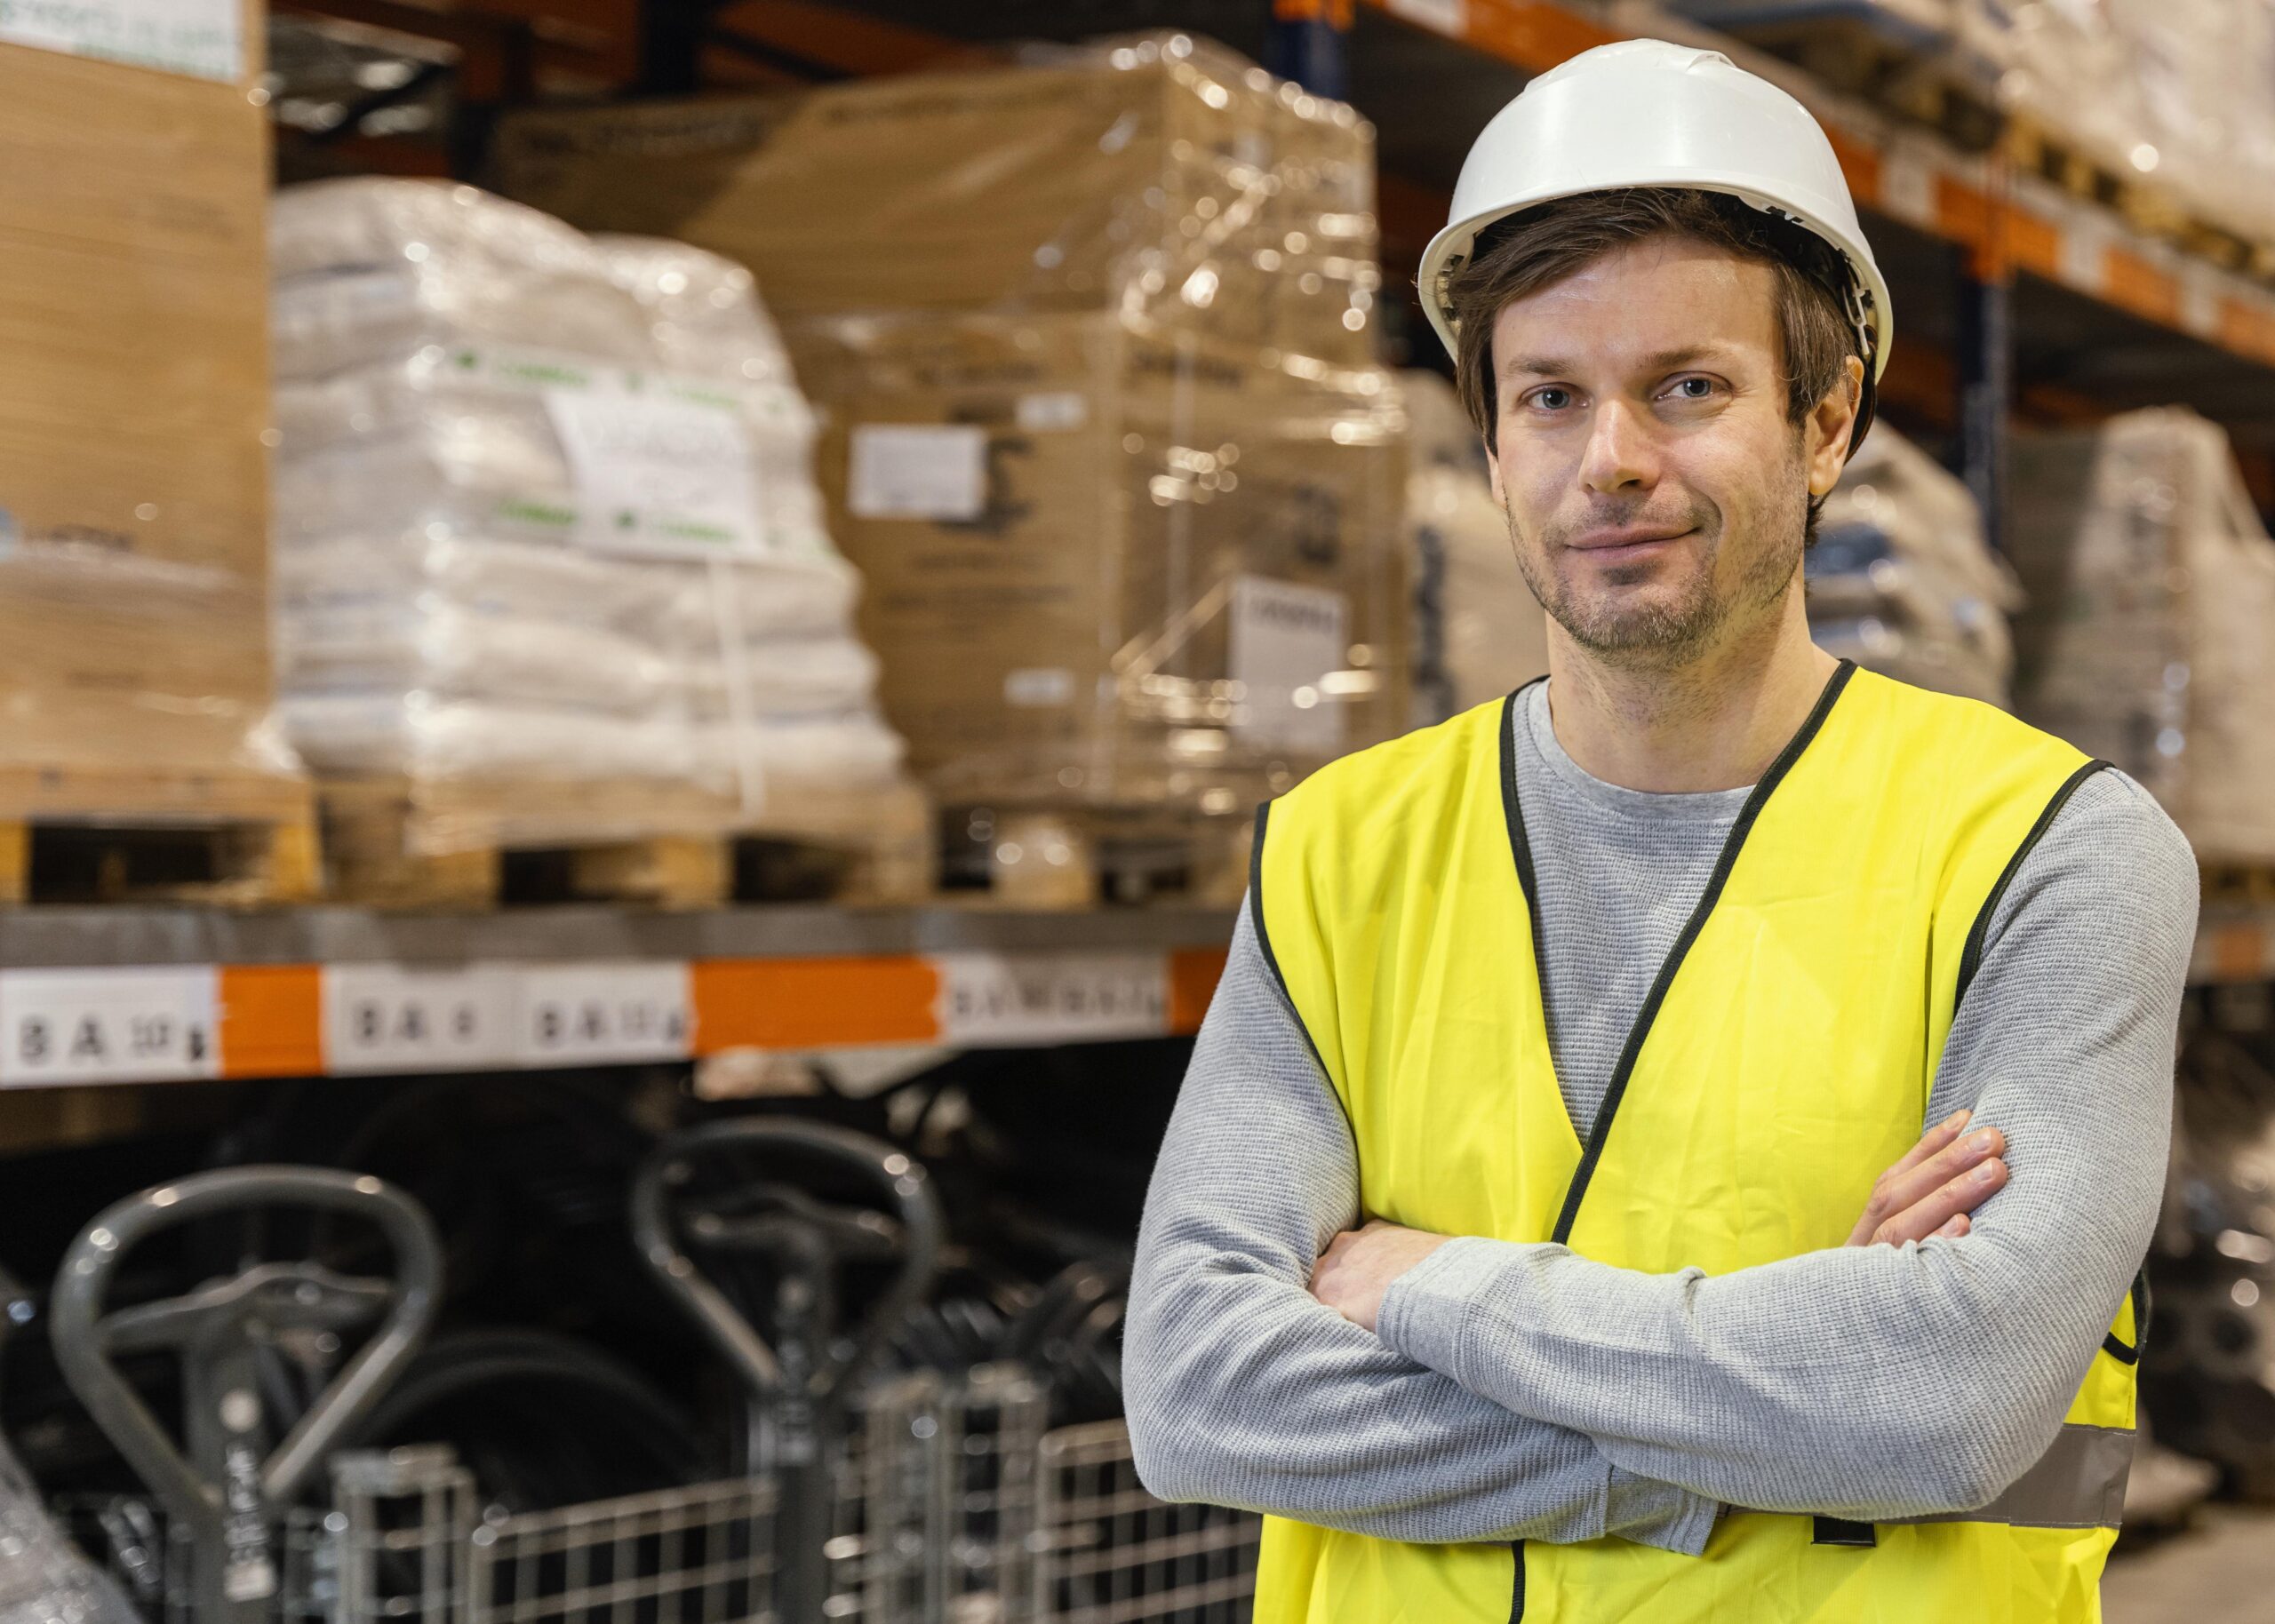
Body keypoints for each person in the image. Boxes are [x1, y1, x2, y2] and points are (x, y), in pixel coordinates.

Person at [1124, 38, 2198, 1624]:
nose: (1610, 459)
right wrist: (1772, 1407)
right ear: (1493, 445)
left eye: (1687, 389)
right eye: (1550, 397)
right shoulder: (1336, 853)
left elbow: (1947, 1402)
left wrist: (1424, 1282)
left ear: (1827, 426)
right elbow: (1199, 1393)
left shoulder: (2047, 852)